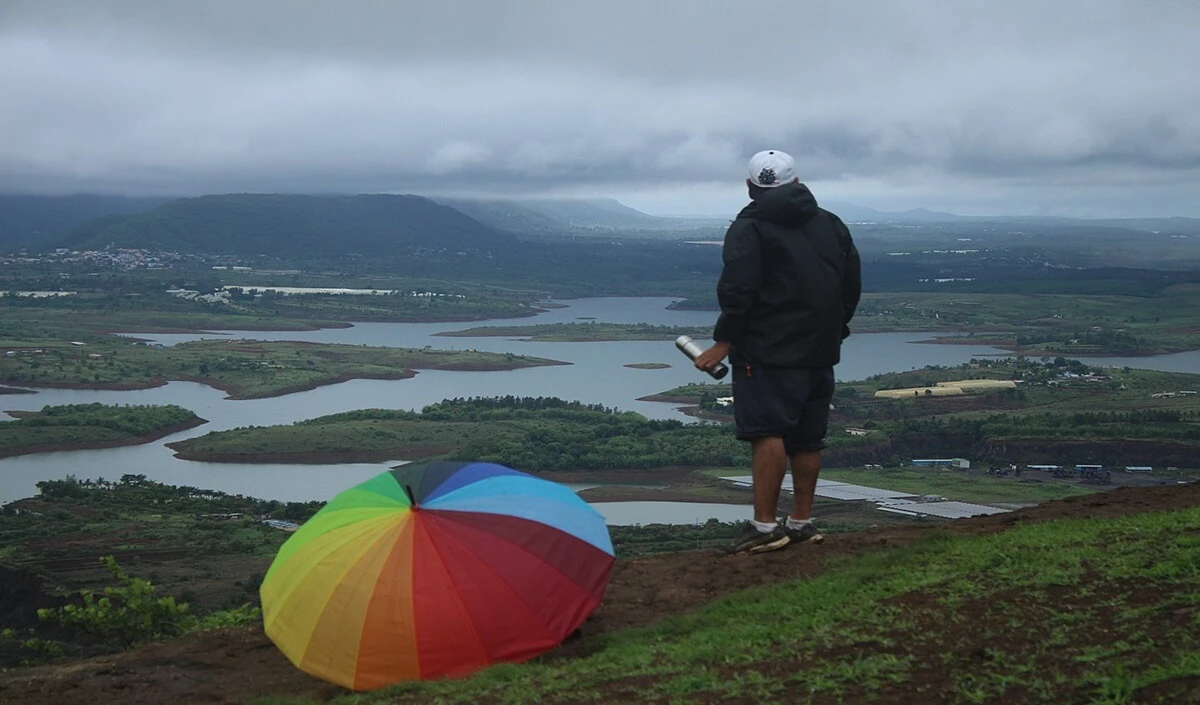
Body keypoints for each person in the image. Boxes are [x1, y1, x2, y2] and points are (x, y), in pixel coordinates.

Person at [694, 149, 861, 555]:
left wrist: (723, 342)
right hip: (820, 351)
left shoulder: (749, 227)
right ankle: (800, 523)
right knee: (807, 439)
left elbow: (738, 290)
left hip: (768, 353)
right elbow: (850, 283)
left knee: (767, 432)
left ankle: (765, 527)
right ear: (796, 183)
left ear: (751, 187)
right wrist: (835, 331)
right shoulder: (830, 224)